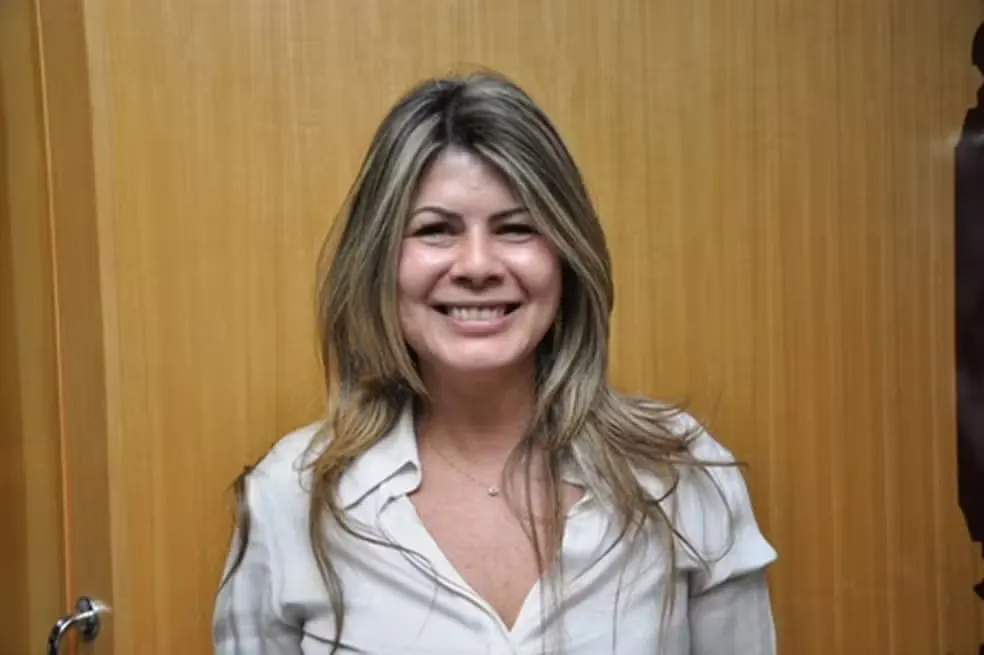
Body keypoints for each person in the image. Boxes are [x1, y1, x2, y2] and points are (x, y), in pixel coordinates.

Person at [212, 71, 777, 654]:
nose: (478, 266)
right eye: (436, 230)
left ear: (566, 259)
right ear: (379, 261)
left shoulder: (681, 475)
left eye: (516, 229)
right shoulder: (292, 497)